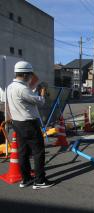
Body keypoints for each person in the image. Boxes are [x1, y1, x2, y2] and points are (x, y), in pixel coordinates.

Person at [6, 61, 55, 189]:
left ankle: (26, 178)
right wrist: (42, 91)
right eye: (30, 75)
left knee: (23, 152)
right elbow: (40, 102)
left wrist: (34, 90)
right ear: (25, 74)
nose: (31, 77)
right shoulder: (22, 89)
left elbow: (25, 98)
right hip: (29, 123)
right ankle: (39, 181)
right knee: (38, 151)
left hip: (17, 123)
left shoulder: (10, 87)